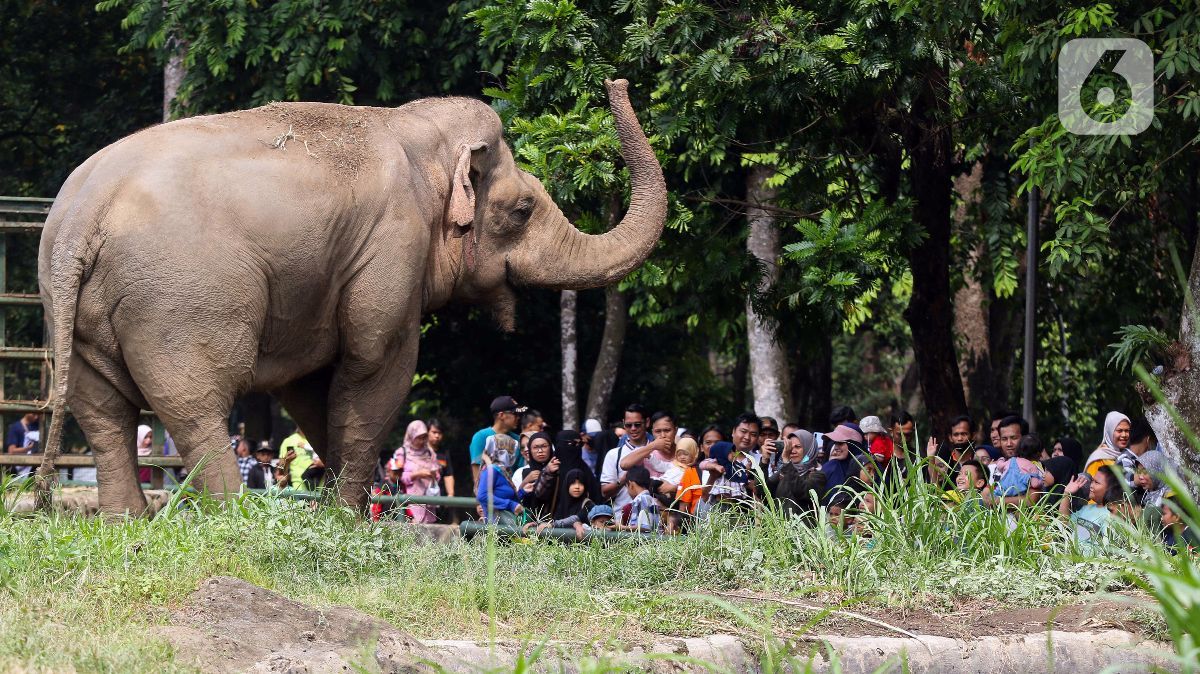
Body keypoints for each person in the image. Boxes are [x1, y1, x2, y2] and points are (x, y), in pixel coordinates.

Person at [600, 403, 652, 517]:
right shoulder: (613, 454)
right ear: (624, 424)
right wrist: (622, 480)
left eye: (637, 424)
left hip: (653, 520)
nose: (633, 429)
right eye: (629, 425)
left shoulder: (656, 452)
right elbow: (605, 492)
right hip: (622, 520)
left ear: (647, 422)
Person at [1060, 465, 1126, 553]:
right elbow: (1064, 523)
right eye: (1092, 481)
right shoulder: (1086, 508)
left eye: (1097, 482)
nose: (1091, 485)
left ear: (1110, 488)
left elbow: (1108, 550)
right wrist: (1067, 493)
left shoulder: (1111, 514)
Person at [469, 395, 526, 490]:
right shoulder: (481, 437)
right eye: (515, 414)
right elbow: (477, 472)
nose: (518, 418)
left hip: (512, 496)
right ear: (501, 415)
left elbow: (519, 471)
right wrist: (480, 497)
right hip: (488, 495)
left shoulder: (518, 440)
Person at [766, 429, 826, 518]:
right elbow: (763, 490)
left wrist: (786, 462)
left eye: (797, 447)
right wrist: (764, 460)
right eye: (790, 447)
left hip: (802, 530)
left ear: (809, 448)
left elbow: (801, 492)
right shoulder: (786, 470)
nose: (792, 451)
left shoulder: (818, 475)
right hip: (780, 529)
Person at [394, 420, 441, 523]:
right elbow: (396, 477)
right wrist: (417, 474)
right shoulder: (402, 453)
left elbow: (437, 475)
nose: (421, 441)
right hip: (409, 504)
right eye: (418, 437)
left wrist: (433, 474)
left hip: (429, 504)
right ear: (411, 436)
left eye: (424, 437)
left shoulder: (429, 452)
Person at [618, 411, 678, 491]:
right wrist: (653, 446)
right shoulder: (647, 452)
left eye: (667, 430)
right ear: (652, 432)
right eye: (658, 431)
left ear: (676, 430)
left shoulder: (685, 452)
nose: (663, 435)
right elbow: (624, 464)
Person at [476, 432, 523, 524]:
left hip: (505, 526)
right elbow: (482, 496)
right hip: (496, 527)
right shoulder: (491, 470)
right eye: (510, 451)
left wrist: (523, 492)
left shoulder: (503, 472)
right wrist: (511, 505)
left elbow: (504, 495)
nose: (512, 455)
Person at [991, 434, 1046, 507]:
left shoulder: (1010, 461)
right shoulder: (1033, 467)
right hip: (1020, 493)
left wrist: (1001, 459)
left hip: (1002, 491)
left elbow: (1000, 466)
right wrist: (1042, 482)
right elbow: (1035, 484)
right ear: (1039, 453)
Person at [820, 425, 864, 506]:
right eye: (835, 443)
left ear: (853, 445)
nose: (835, 447)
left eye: (840, 443)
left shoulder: (868, 467)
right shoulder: (832, 467)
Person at [520, 431, 560, 518]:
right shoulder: (526, 472)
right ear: (530, 450)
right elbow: (518, 499)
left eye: (544, 446)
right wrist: (525, 481)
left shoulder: (558, 469)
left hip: (557, 522)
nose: (540, 451)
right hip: (531, 524)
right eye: (535, 447)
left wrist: (548, 472)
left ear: (550, 447)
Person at [1084, 411, 1131, 477]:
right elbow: (1091, 485)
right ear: (1110, 432)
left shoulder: (1129, 456)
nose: (1124, 435)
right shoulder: (1098, 459)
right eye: (1119, 431)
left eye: (1127, 431)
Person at [279, 427, 324, 491]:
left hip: (321, 489)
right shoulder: (288, 441)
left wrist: (324, 463)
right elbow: (280, 471)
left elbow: (337, 461)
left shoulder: (321, 438)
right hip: (298, 489)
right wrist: (287, 461)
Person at [624, 465, 660, 533]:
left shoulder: (642, 499)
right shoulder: (649, 499)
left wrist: (621, 527)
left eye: (627, 487)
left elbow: (645, 528)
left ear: (631, 484)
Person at [427, 419, 455, 504]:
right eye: (434, 432)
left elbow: (448, 475)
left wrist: (450, 494)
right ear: (427, 432)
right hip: (423, 497)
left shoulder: (444, 452)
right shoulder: (420, 451)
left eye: (439, 433)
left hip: (440, 498)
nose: (437, 436)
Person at [5, 411, 40, 478]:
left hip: (35, 467)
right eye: (34, 414)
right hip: (18, 466)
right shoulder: (15, 427)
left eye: (38, 414)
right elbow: (11, 451)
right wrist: (29, 448)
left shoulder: (39, 425)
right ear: (27, 412)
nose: (36, 417)